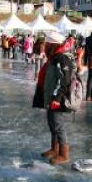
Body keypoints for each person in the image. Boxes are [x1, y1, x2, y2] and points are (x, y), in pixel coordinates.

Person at [32, 31, 73, 165]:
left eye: (48, 44)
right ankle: (54, 149)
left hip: (58, 98)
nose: (46, 46)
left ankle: (64, 154)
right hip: (50, 97)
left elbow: (64, 81)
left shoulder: (62, 58)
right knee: (52, 124)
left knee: (58, 125)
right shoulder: (53, 57)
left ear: (53, 45)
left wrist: (57, 98)